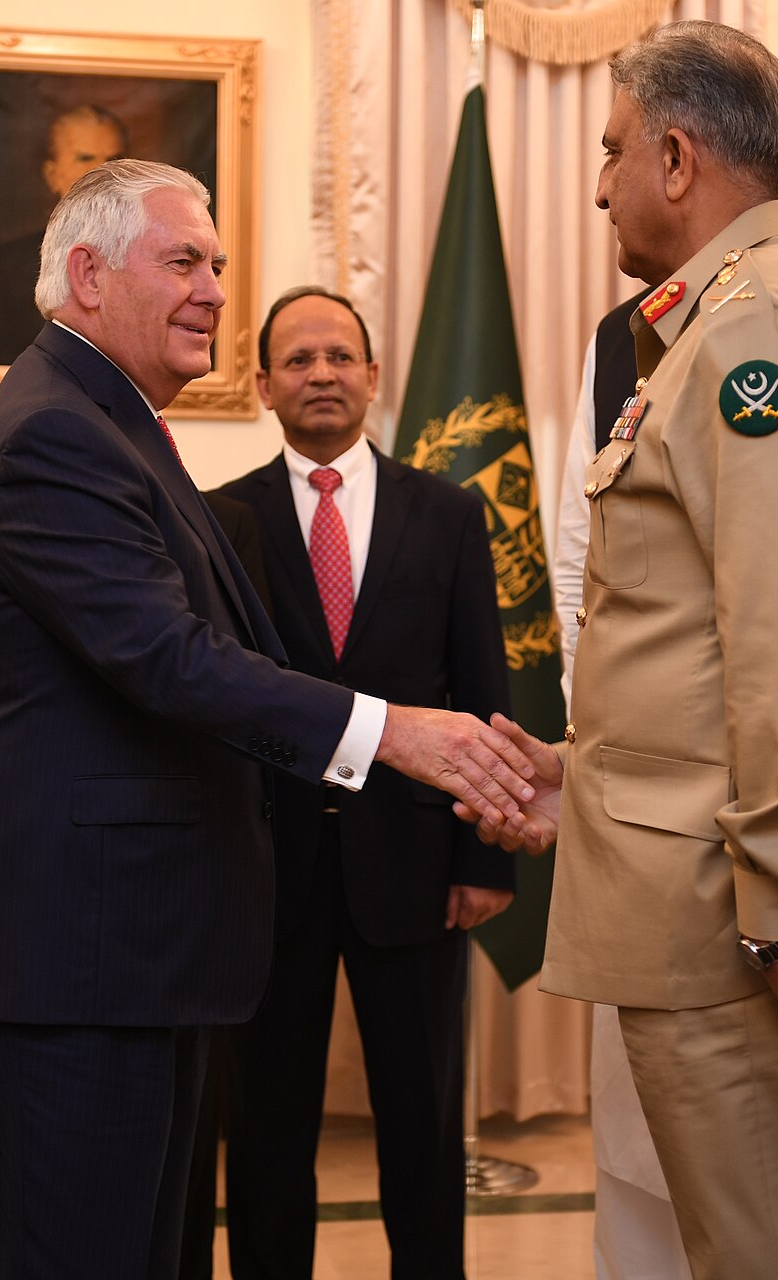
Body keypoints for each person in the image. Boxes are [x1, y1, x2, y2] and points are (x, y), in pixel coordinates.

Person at [0, 158, 538, 1280]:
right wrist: (394, 731)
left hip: (132, 954)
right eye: (185, 261)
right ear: (88, 276)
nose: (212, 287)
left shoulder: (114, 422)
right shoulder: (58, 433)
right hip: (73, 966)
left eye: (219, 265)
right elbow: (170, 658)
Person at [482, 21, 778, 1278]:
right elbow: (699, 636)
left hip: (730, 918)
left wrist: (777, 915)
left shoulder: (754, 329)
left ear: (679, 157)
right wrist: (590, 769)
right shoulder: (732, 313)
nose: (602, 181)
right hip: (710, 886)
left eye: (615, 150)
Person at [213, 286, 514, 1280]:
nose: (322, 375)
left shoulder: (451, 510)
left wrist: (484, 855)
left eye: (340, 356)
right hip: (269, 877)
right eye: (297, 360)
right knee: (266, 1134)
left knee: (423, 1132)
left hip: (418, 872)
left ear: (374, 375)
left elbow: (481, 692)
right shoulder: (222, 522)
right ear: (263, 384)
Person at [0, 104, 129, 366]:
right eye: (85, 158)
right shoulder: (3, 269)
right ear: (52, 175)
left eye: (113, 160)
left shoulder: (151, 259)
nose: (104, 173)